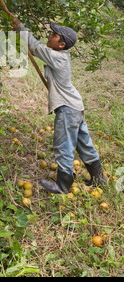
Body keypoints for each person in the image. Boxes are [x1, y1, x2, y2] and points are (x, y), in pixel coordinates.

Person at [12, 18, 106, 194]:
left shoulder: (57, 57)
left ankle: (63, 185)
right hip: (75, 106)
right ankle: (100, 178)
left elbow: (35, 47)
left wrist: (19, 27)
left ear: (61, 44)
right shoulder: (61, 56)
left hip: (68, 109)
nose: (50, 36)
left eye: (54, 35)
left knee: (63, 145)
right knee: (83, 143)